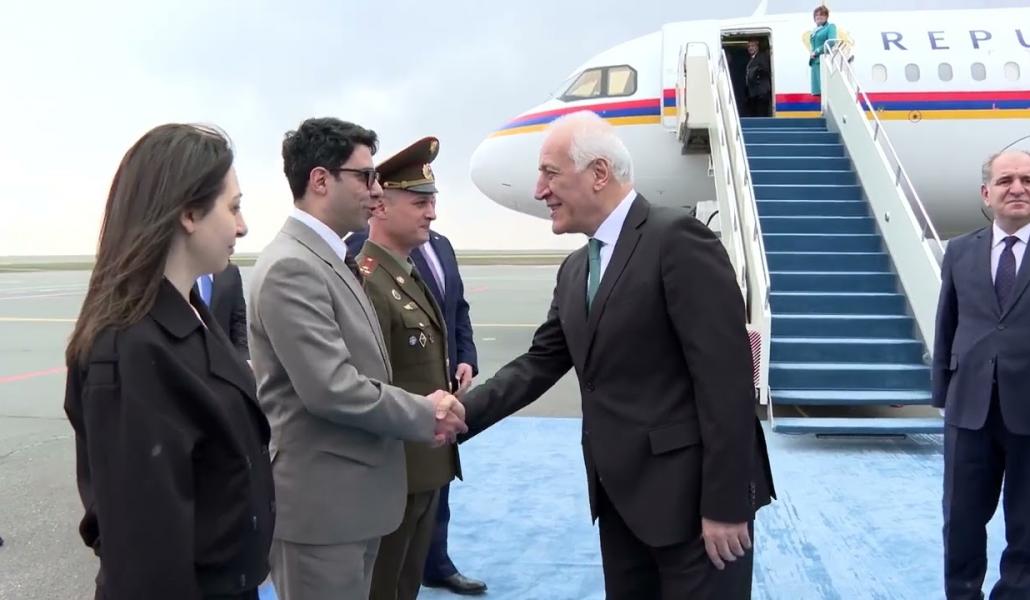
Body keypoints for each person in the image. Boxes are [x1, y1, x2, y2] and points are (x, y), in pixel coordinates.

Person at [456, 110, 775, 599]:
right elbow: (540, 362)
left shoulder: (677, 240)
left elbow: (727, 382)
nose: (540, 190)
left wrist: (727, 504)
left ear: (599, 173)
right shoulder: (576, 269)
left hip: (695, 509)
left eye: (550, 173)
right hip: (620, 502)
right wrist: (460, 414)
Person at [247, 117, 467, 600]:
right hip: (324, 510)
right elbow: (332, 388)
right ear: (320, 180)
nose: (376, 189)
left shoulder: (327, 259)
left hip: (353, 504)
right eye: (365, 176)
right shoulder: (292, 266)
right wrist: (425, 411)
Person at [63, 123, 274, 599]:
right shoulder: (131, 349)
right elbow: (145, 553)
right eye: (233, 207)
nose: (242, 226)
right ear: (189, 214)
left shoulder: (190, 315)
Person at [345, 175, 486, 598]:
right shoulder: (368, 277)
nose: (432, 213)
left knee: (405, 582)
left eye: (432, 201)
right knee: (384, 583)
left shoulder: (409, 267)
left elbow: (454, 313)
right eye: (419, 203)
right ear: (381, 207)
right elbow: (366, 384)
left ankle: (438, 565)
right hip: (396, 464)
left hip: (426, 457)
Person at [932, 149, 1030, 599]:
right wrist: (942, 395)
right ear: (986, 193)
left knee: (1027, 522)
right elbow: (946, 323)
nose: (1018, 188)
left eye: (1027, 180)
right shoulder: (959, 251)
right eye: (1006, 180)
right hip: (968, 407)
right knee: (961, 519)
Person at [194, 262, 249, 359]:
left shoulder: (230, 272)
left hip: (224, 359)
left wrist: (242, 359)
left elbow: (240, 321)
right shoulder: (176, 273)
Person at [808, 5, 837, 96]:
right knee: (818, 93)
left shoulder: (830, 27)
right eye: (816, 15)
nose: (818, 17)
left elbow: (831, 42)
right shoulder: (815, 30)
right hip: (814, 62)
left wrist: (817, 51)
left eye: (821, 15)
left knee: (825, 90)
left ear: (826, 16)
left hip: (823, 61)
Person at [744, 38, 771, 117]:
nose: (750, 48)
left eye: (752, 46)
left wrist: (755, 72)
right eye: (749, 46)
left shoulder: (762, 56)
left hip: (761, 93)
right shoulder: (751, 59)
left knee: (761, 114)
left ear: (757, 47)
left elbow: (765, 69)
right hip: (753, 93)